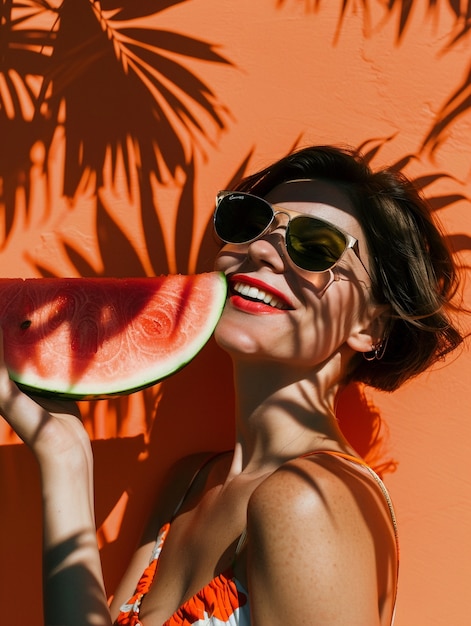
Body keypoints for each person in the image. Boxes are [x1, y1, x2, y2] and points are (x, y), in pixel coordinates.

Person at [0, 145, 464, 626]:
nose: (262, 248)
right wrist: (64, 456)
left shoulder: (308, 500)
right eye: (248, 222)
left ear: (371, 327)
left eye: (316, 246)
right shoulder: (190, 484)